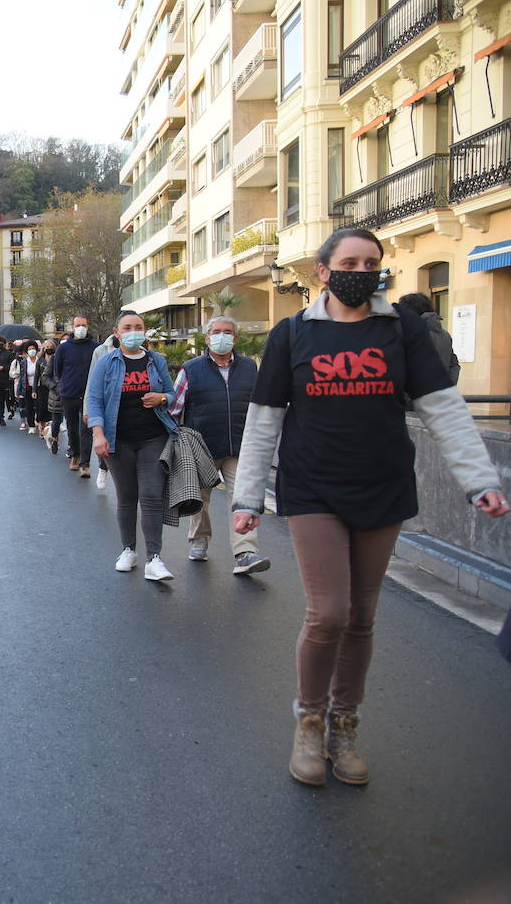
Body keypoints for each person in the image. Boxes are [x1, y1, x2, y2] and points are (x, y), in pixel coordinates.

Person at [232, 227, 508, 788]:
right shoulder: (291, 335)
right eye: (350, 261)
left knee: (361, 617)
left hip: (383, 489)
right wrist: (247, 499)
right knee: (327, 613)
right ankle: (308, 720)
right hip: (312, 490)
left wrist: (478, 480)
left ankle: (344, 723)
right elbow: (265, 422)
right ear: (323, 271)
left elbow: (443, 408)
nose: (363, 270)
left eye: (372, 262)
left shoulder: (401, 330)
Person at [169, 316, 270, 575]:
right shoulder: (190, 369)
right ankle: (199, 540)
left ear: (235, 338)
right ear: (207, 337)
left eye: (227, 332)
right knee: (200, 500)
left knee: (242, 499)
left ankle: (245, 551)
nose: (221, 336)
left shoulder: (249, 368)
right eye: (216, 332)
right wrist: (175, 443)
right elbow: (175, 410)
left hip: (239, 446)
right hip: (201, 446)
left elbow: (259, 406)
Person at [87, 310, 176, 582]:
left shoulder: (156, 361)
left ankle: (154, 558)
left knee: (151, 496)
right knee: (126, 497)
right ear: (117, 332)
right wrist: (98, 434)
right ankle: (128, 550)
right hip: (118, 440)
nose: (133, 331)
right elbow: (94, 400)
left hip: (153, 438)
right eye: (127, 327)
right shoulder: (106, 362)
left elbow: (172, 395)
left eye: (138, 326)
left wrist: (161, 397)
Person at [55, 316, 97, 474]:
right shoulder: (63, 348)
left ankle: (85, 464)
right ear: (72, 327)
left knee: (86, 429)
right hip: (69, 394)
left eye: (83, 325)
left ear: (88, 326)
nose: (81, 328)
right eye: (78, 325)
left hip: (89, 395)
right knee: (72, 428)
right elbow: (58, 370)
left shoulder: (95, 347)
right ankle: (76, 455)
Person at [397, 292, 460, 385]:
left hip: (415, 396)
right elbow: (454, 365)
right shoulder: (445, 335)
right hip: (439, 395)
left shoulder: (411, 333)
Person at [84, 331, 120, 487]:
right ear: (116, 330)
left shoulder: (146, 354)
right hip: (105, 404)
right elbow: (92, 383)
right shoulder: (100, 351)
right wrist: (87, 409)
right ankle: (102, 467)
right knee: (103, 438)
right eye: (127, 327)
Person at [15, 341, 41, 433]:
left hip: (40, 387)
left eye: (33, 348)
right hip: (28, 387)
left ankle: (39, 422)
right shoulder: (24, 362)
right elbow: (22, 377)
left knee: (39, 407)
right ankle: (31, 426)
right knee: (29, 407)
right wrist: (19, 391)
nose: (32, 351)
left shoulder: (40, 361)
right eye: (29, 349)